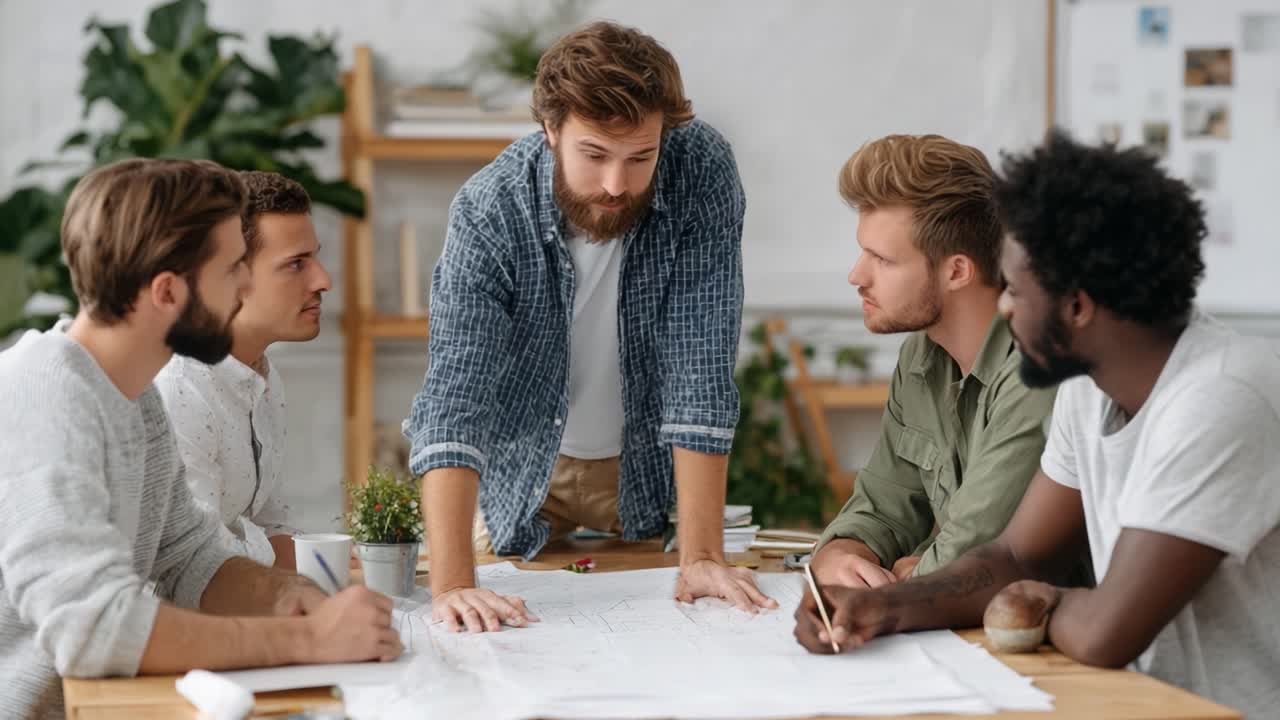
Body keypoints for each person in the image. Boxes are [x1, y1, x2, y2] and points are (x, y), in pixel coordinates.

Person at [793, 132, 1280, 720]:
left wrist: (1043, 600)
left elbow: (1105, 630)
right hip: (1140, 702)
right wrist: (882, 607)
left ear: (1077, 307)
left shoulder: (1221, 395)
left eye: (1016, 291)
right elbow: (1016, 557)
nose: (1002, 307)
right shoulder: (1085, 386)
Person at [403, 21, 776, 634]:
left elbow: (700, 359)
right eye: (595, 155)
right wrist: (451, 587)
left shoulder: (701, 171)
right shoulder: (489, 211)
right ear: (550, 131)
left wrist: (704, 556)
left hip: (643, 468)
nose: (616, 185)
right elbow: (454, 398)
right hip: (520, 472)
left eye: (640, 157)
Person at [0, 159, 398, 720]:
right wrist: (310, 643)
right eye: (234, 267)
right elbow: (93, 629)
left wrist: (291, 599)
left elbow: (190, 557)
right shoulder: (46, 395)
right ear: (167, 291)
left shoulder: (134, 399)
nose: (244, 286)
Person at [810, 135, 1056, 588]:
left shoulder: (1037, 371)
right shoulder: (920, 357)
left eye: (882, 259)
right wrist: (840, 555)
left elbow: (974, 551)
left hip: (1043, 645)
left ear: (957, 271)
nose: (856, 276)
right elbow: (881, 507)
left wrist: (915, 568)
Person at [156, 171, 331, 570]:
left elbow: (269, 521)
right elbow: (196, 566)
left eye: (315, 258)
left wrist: (332, 569)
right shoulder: (178, 391)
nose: (323, 280)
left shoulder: (263, 378)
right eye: (295, 265)